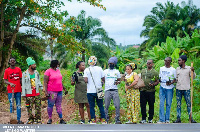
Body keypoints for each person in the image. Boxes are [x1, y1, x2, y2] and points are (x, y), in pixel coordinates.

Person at [173, 55, 197, 123]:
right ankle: (178, 118)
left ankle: (190, 118)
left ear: (183, 61)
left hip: (186, 89)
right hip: (178, 88)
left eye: (179, 60)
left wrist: (193, 71)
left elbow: (193, 77)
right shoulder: (177, 69)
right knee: (178, 104)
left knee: (188, 104)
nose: (178, 62)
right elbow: (176, 78)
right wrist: (173, 81)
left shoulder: (189, 68)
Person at [83, 56, 106, 124]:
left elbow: (86, 80)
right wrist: (101, 83)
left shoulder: (86, 70)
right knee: (101, 105)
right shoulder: (99, 68)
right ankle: (103, 119)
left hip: (90, 91)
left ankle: (93, 120)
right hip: (99, 90)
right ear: (95, 62)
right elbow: (103, 78)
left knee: (91, 106)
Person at [44, 60, 67, 124]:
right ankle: (50, 118)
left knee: (58, 105)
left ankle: (61, 119)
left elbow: (60, 81)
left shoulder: (58, 71)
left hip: (59, 91)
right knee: (50, 105)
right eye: (58, 64)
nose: (58, 65)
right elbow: (45, 82)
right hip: (52, 91)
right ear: (55, 64)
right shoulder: (48, 71)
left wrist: (64, 88)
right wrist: (46, 92)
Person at [22, 57, 43, 124]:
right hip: (28, 93)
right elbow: (23, 84)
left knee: (38, 107)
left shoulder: (36, 72)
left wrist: (42, 88)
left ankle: (38, 119)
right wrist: (23, 94)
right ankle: (31, 119)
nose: (35, 66)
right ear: (30, 65)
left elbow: (39, 81)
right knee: (29, 107)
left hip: (36, 93)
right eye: (34, 64)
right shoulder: (25, 74)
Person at [3, 57, 23, 124]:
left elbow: (21, 79)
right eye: (11, 61)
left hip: (18, 90)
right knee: (11, 104)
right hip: (10, 91)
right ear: (9, 62)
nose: (12, 62)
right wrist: (10, 83)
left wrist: (23, 87)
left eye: (13, 61)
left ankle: (18, 119)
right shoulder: (7, 70)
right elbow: (5, 80)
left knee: (18, 105)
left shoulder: (18, 69)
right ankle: (12, 119)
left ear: (15, 62)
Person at [140, 59, 159, 123]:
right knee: (143, 105)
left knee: (151, 105)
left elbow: (157, 81)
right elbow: (140, 79)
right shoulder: (143, 71)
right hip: (143, 91)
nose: (149, 64)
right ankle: (143, 119)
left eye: (150, 63)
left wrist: (153, 84)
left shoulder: (155, 72)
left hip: (151, 91)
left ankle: (150, 118)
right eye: (147, 63)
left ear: (152, 64)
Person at [158, 57, 176, 123]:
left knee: (168, 103)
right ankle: (161, 119)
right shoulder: (161, 68)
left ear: (171, 61)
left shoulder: (173, 70)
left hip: (170, 88)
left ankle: (167, 119)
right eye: (165, 60)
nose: (167, 62)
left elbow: (175, 79)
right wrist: (158, 80)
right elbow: (160, 77)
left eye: (168, 61)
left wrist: (171, 82)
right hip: (162, 87)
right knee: (161, 103)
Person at [104, 57, 121, 124]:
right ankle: (106, 119)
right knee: (106, 105)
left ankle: (117, 119)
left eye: (112, 63)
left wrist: (117, 82)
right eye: (110, 63)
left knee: (117, 105)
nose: (111, 65)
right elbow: (102, 79)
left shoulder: (117, 72)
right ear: (108, 64)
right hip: (107, 90)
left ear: (114, 64)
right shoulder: (105, 71)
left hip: (115, 90)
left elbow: (119, 80)